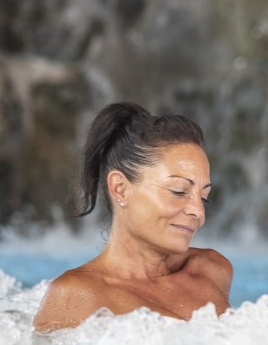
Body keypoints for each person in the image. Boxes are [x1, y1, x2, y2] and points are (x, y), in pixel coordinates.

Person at [33, 102, 232, 332]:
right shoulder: (76, 296)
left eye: (204, 197)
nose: (198, 211)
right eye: (178, 191)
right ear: (120, 188)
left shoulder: (212, 270)